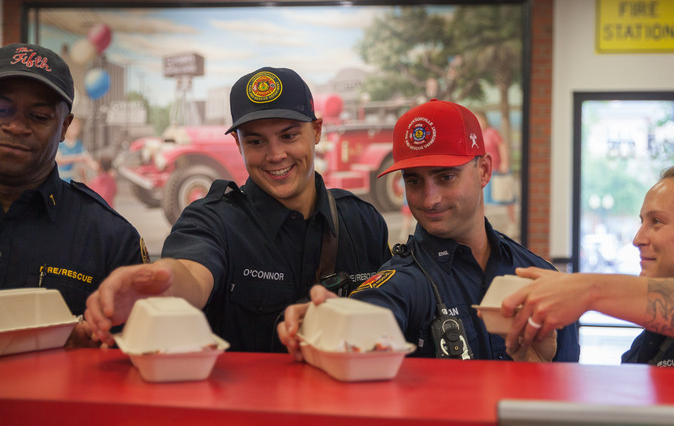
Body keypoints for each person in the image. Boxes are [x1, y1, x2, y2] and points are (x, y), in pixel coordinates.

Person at [85, 67, 392, 352]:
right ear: (238, 143)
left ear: (316, 131)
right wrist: (165, 284)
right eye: (256, 141)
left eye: (289, 136)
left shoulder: (363, 222)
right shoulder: (211, 221)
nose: (275, 155)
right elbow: (192, 273)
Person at [279, 99, 580, 362]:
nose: (429, 199)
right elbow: (373, 310)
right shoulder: (406, 280)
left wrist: (538, 369)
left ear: (484, 170)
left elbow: (566, 395)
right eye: (414, 181)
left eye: (446, 177)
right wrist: (330, 319)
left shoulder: (539, 276)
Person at [502, 162, 674, 368]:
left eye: (656, 222)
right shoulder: (649, 340)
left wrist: (591, 290)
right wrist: (538, 366)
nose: (638, 239)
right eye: (641, 221)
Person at [0, 43, 148, 347]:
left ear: (65, 126)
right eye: (2, 110)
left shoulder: (112, 238)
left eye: (39, 116)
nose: (15, 126)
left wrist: (88, 351)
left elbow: (135, 359)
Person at [476, 110, 516, 232]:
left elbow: (502, 147)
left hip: (498, 170)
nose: (478, 122)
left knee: (507, 197)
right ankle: (479, 225)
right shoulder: (476, 135)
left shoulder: (492, 132)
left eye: (479, 119)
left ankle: (512, 224)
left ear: (484, 119)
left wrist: (505, 163)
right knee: (482, 199)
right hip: (484, 172)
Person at [56, 116, 92, 182]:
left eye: (76, 127)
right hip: (56, 178)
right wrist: (79, 157)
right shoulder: (59, 142)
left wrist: (104, 169)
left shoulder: (78, 144)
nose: (75, 130)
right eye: (72, 127)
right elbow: (59, 160)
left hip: (69, 178)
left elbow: (88, 159)